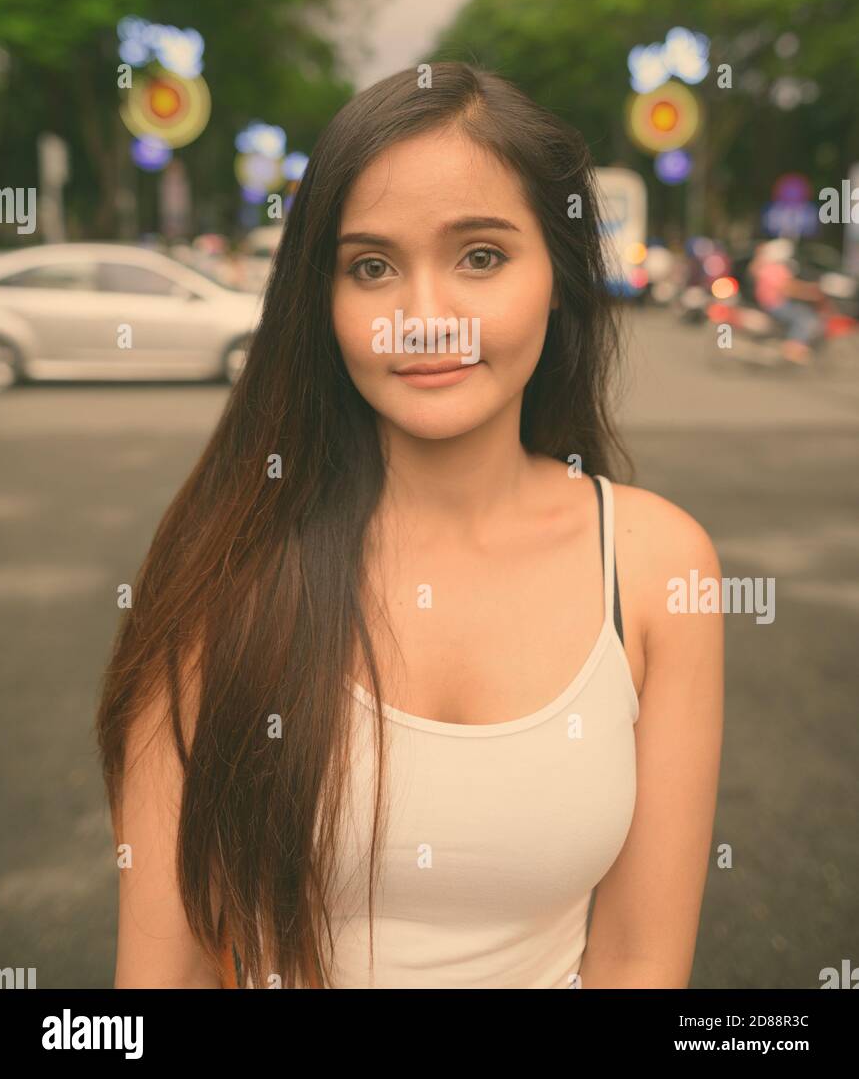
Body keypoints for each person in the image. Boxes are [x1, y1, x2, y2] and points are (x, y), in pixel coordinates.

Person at [97, 62, 723, 990]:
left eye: (480, 256)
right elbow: (158, 989)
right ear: (323, 302)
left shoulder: (661, 563)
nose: (422, 320)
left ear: (557, 274)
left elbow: (636, 960)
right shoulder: (220, 570)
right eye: (371, 267)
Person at [748, 238, 824, 364]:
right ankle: (793, 348)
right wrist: (810, 292)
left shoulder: (765, 267)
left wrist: (808, 288)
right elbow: (788, 288)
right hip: (776, 305)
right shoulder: (775, 268)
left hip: (774, 304)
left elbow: (791, 285)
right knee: (805, 318)